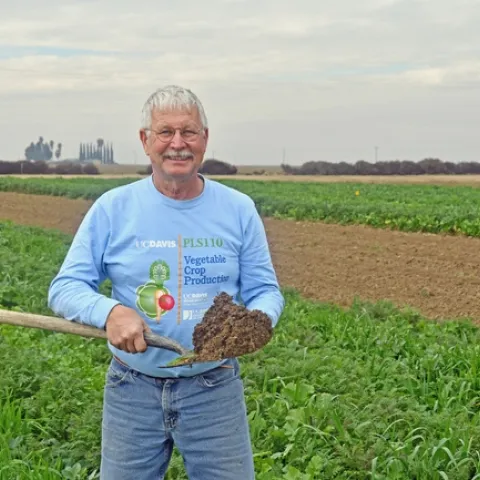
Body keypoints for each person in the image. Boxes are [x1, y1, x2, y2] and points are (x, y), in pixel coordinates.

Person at [47, 84, 285, 479]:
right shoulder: (113, 208)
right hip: (132, 387)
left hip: (214, 387)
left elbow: (265, 290)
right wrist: (110, 311)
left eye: (189, 132)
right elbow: (66, 287)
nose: (178, 143)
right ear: (145, 140)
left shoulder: (238, 209)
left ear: (205, 139)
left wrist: (255, 322)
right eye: (165, 132)